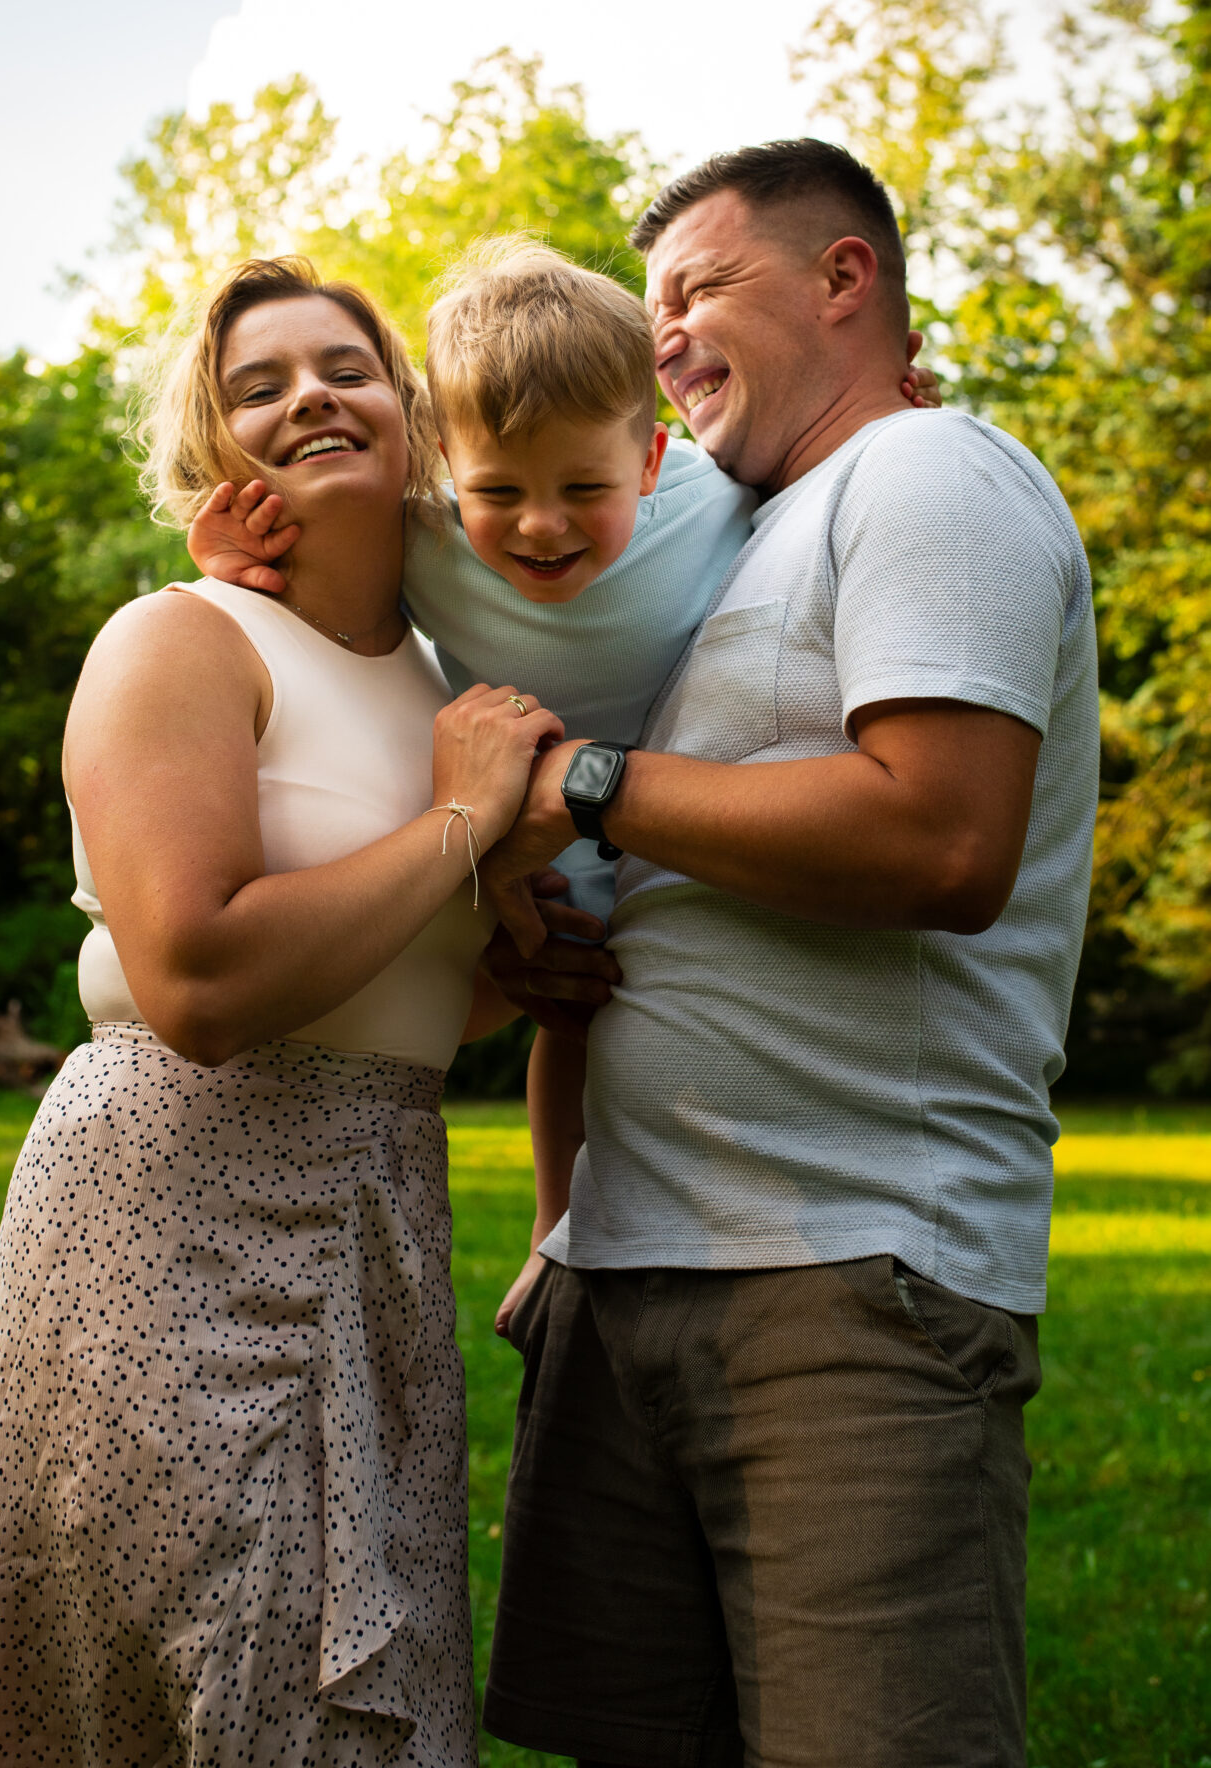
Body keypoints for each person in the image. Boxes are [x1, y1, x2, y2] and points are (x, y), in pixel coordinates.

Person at [0, 255, 564, 1768]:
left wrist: (518, 963)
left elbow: (402, 1004)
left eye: (345, 367)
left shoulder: (457, 680)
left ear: (411, 414)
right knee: (202, 1682)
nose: (310, 395)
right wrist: (458, 827)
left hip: (375, 1212)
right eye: (259, 387)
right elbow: (196, 978)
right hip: (165, 1219)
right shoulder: (179, 640)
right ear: (218, 453)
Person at [474, 140, 1101, 1768]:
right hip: (622, 1277)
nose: (662, 335)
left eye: (695, 288)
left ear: (847, 279)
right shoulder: (720, 543)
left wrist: (593, 784)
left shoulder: (930, 477)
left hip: (844, 1278)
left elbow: (942, 837)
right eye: (651, 306)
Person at [190, 237, 940, 1333]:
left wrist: (894, 412)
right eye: (501, 491)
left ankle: (774, 1207)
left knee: (674, 1013)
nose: (541, 525)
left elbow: (822, 465)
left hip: (690, 805)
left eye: (584, 488)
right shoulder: (422, 534)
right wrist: (232, 545)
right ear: (443, 462)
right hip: (535, 829)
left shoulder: (713, 499)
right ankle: (559, 1232)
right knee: (569, 1015)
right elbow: (318, 567)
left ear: (648, 460)